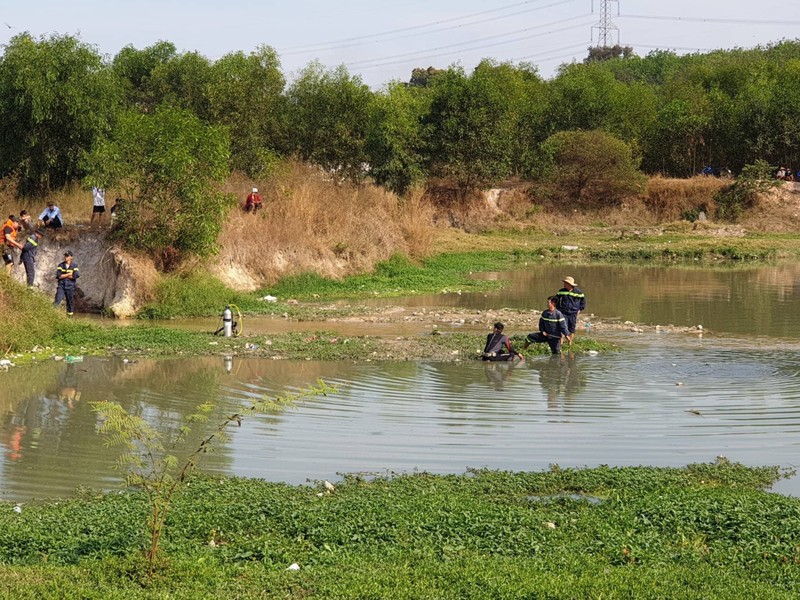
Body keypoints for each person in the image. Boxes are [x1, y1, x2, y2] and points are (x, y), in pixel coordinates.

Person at [555, 276, 586, 346]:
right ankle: (561, 343)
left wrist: (580, 309)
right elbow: (556, 300)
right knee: (562, 326)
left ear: (570, 284)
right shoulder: (561, 291)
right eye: (564, 283)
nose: (564, 284)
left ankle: (570, 343)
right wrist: (557, 309)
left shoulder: (578, 292)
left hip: (573, 312)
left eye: (566, 283)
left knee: (572, 327)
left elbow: (583, 301)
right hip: (563, 312)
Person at [54, 251, 79, 316]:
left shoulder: (74, 266)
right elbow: (59, 276)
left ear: (71, 257)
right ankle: (52, 314)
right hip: (61, 286)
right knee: (57, 300)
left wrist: (64, 275)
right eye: (65, 256)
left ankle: (69, 317)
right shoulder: (60, 265)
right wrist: (69, 274)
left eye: (67, 256)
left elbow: (76, 276)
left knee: (70, 302)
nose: (65, 257)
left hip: (70, 287)